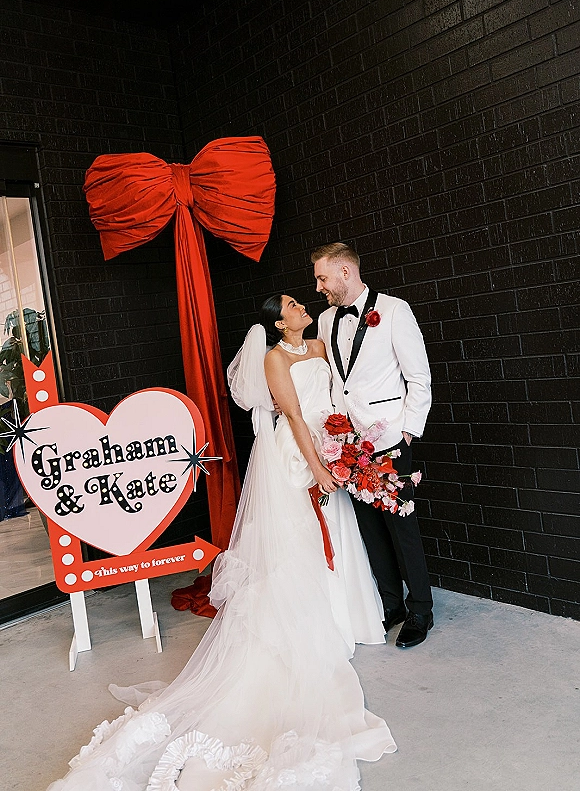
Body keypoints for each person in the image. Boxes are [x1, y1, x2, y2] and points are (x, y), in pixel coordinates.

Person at [46, 294, 396, 791]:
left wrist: (344, 447)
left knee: (335, 536)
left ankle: (348, 615)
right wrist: (317, 465)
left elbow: (332, 403)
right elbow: (294, 416)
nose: (302, 305)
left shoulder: (319, 347)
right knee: (297, 543)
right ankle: (314, 625)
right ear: (279, 320)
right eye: (295, 304)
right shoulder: (275, 358)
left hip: (329, 443)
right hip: (296, 456)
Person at [312, 242, 433, 649]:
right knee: (372, 531)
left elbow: (419, 378)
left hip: (390, 441)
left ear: (345, 272)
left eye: (322, 277)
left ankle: (421, 611)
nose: (318, 287)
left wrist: (407, 434)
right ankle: (391, 605)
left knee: (404, 531)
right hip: (349, 446)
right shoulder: (326, 320)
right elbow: (335, 380)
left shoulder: (396, 311)